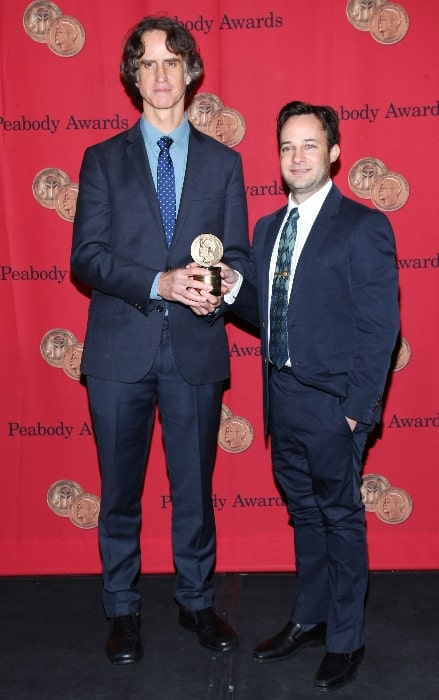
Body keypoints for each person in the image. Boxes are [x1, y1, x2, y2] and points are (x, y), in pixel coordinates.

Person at [70, 15, 249, 665]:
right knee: (118, 492)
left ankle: (196, 601)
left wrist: (226, 278)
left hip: (195, 351)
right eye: (147, 63)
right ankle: (122, 610)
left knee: (194, 490)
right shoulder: (101, 161)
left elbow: (239, 258)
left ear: (192, 71)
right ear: (131, 76)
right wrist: (158, 281)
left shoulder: (225, 163)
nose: (161, 74)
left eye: (172, 60)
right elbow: (85, 257)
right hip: (119, 351)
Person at [220, 101, 399, 692]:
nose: (298, 157)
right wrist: (227, 290)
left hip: (333, 408)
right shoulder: (268, 228)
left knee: (342, 521)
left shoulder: (364, 225)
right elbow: (270, 315)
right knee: (304, 517)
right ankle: (311, 616)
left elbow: (380, 331)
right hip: (281, 400)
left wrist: (357, 413)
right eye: (288, 147)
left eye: (310, 146)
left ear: (334, 153)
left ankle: (347, 639)